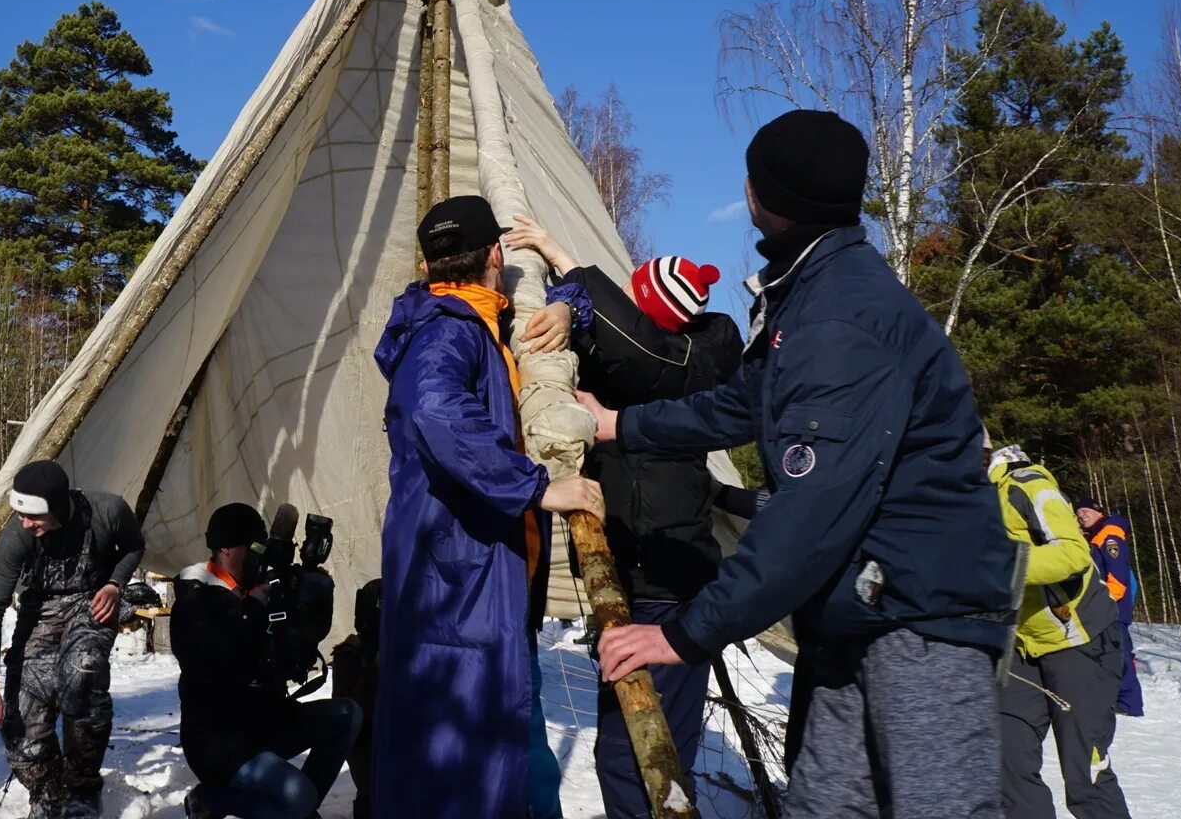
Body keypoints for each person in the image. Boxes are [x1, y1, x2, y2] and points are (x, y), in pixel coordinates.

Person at [587, 110, 1018, 819]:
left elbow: (810, 515)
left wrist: (684, 633)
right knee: (825, 806)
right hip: (858, 610)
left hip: (919, 616)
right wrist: (618, 425)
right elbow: (735, 407)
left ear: (765, 194)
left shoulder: (839, 320)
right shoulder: (810, 296)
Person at [371, 194, 605, 819]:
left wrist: (566, 300)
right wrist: (535, 487)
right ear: (496, 255)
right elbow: (436, 410)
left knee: (503, 733)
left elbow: (564, 316)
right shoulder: (450, 332)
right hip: (459, 575)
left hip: (472, 567)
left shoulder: (467, 323)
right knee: (471, 748)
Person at [504, 222, 741, 819]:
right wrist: (564, 295)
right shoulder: (656, 366)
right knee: (633, 756)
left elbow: (632, 343)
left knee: (643, 760)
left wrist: (566, 272)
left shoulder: (678, 371)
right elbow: (627, 338)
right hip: (649, 588)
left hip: (669, 592)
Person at [0, 459, 144, 819]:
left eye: (34, 516)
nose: (25, 523)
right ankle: (47, 789)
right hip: (39, 613)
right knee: (21, 722)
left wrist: (115, 585)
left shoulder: (106, 510)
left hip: (91, 602)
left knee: (82, 674)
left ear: (59, 506)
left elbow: (133, 547)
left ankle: (82, 786)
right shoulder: (18, 534)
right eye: (19, 515)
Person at [174, 502, 361, 819]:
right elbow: (208, 661)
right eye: (254, 547)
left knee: (347, 715)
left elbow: (294, 655)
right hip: (220, 742)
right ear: (226, 548)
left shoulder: (262, 591)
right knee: (296, 794)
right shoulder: (195, 599)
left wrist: (308, 603)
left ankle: (298, 809)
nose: (259, 558)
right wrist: (250, 613)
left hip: (266, 722)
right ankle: (210, 800)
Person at [992, 447, 1134, 819]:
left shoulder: (1026, 484)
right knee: (1007, 765)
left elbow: (1071, 554)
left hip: (1079, 640)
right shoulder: (957, 502)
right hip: (1020, 650)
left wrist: (997, 564)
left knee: (1084, 775)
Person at [1075, 498, 1144, 717]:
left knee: (1119, 652)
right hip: (1105, 607)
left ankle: (1129, 703)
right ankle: (1117, 697)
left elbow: (1117, 574)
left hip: (1113, 608)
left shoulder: (1109, 534)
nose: (1082, 515)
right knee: (1109, 652)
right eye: (1078, 513)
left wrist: (1107, 601)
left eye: (1086, 511)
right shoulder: (1097, 535)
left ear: (1098, 512)